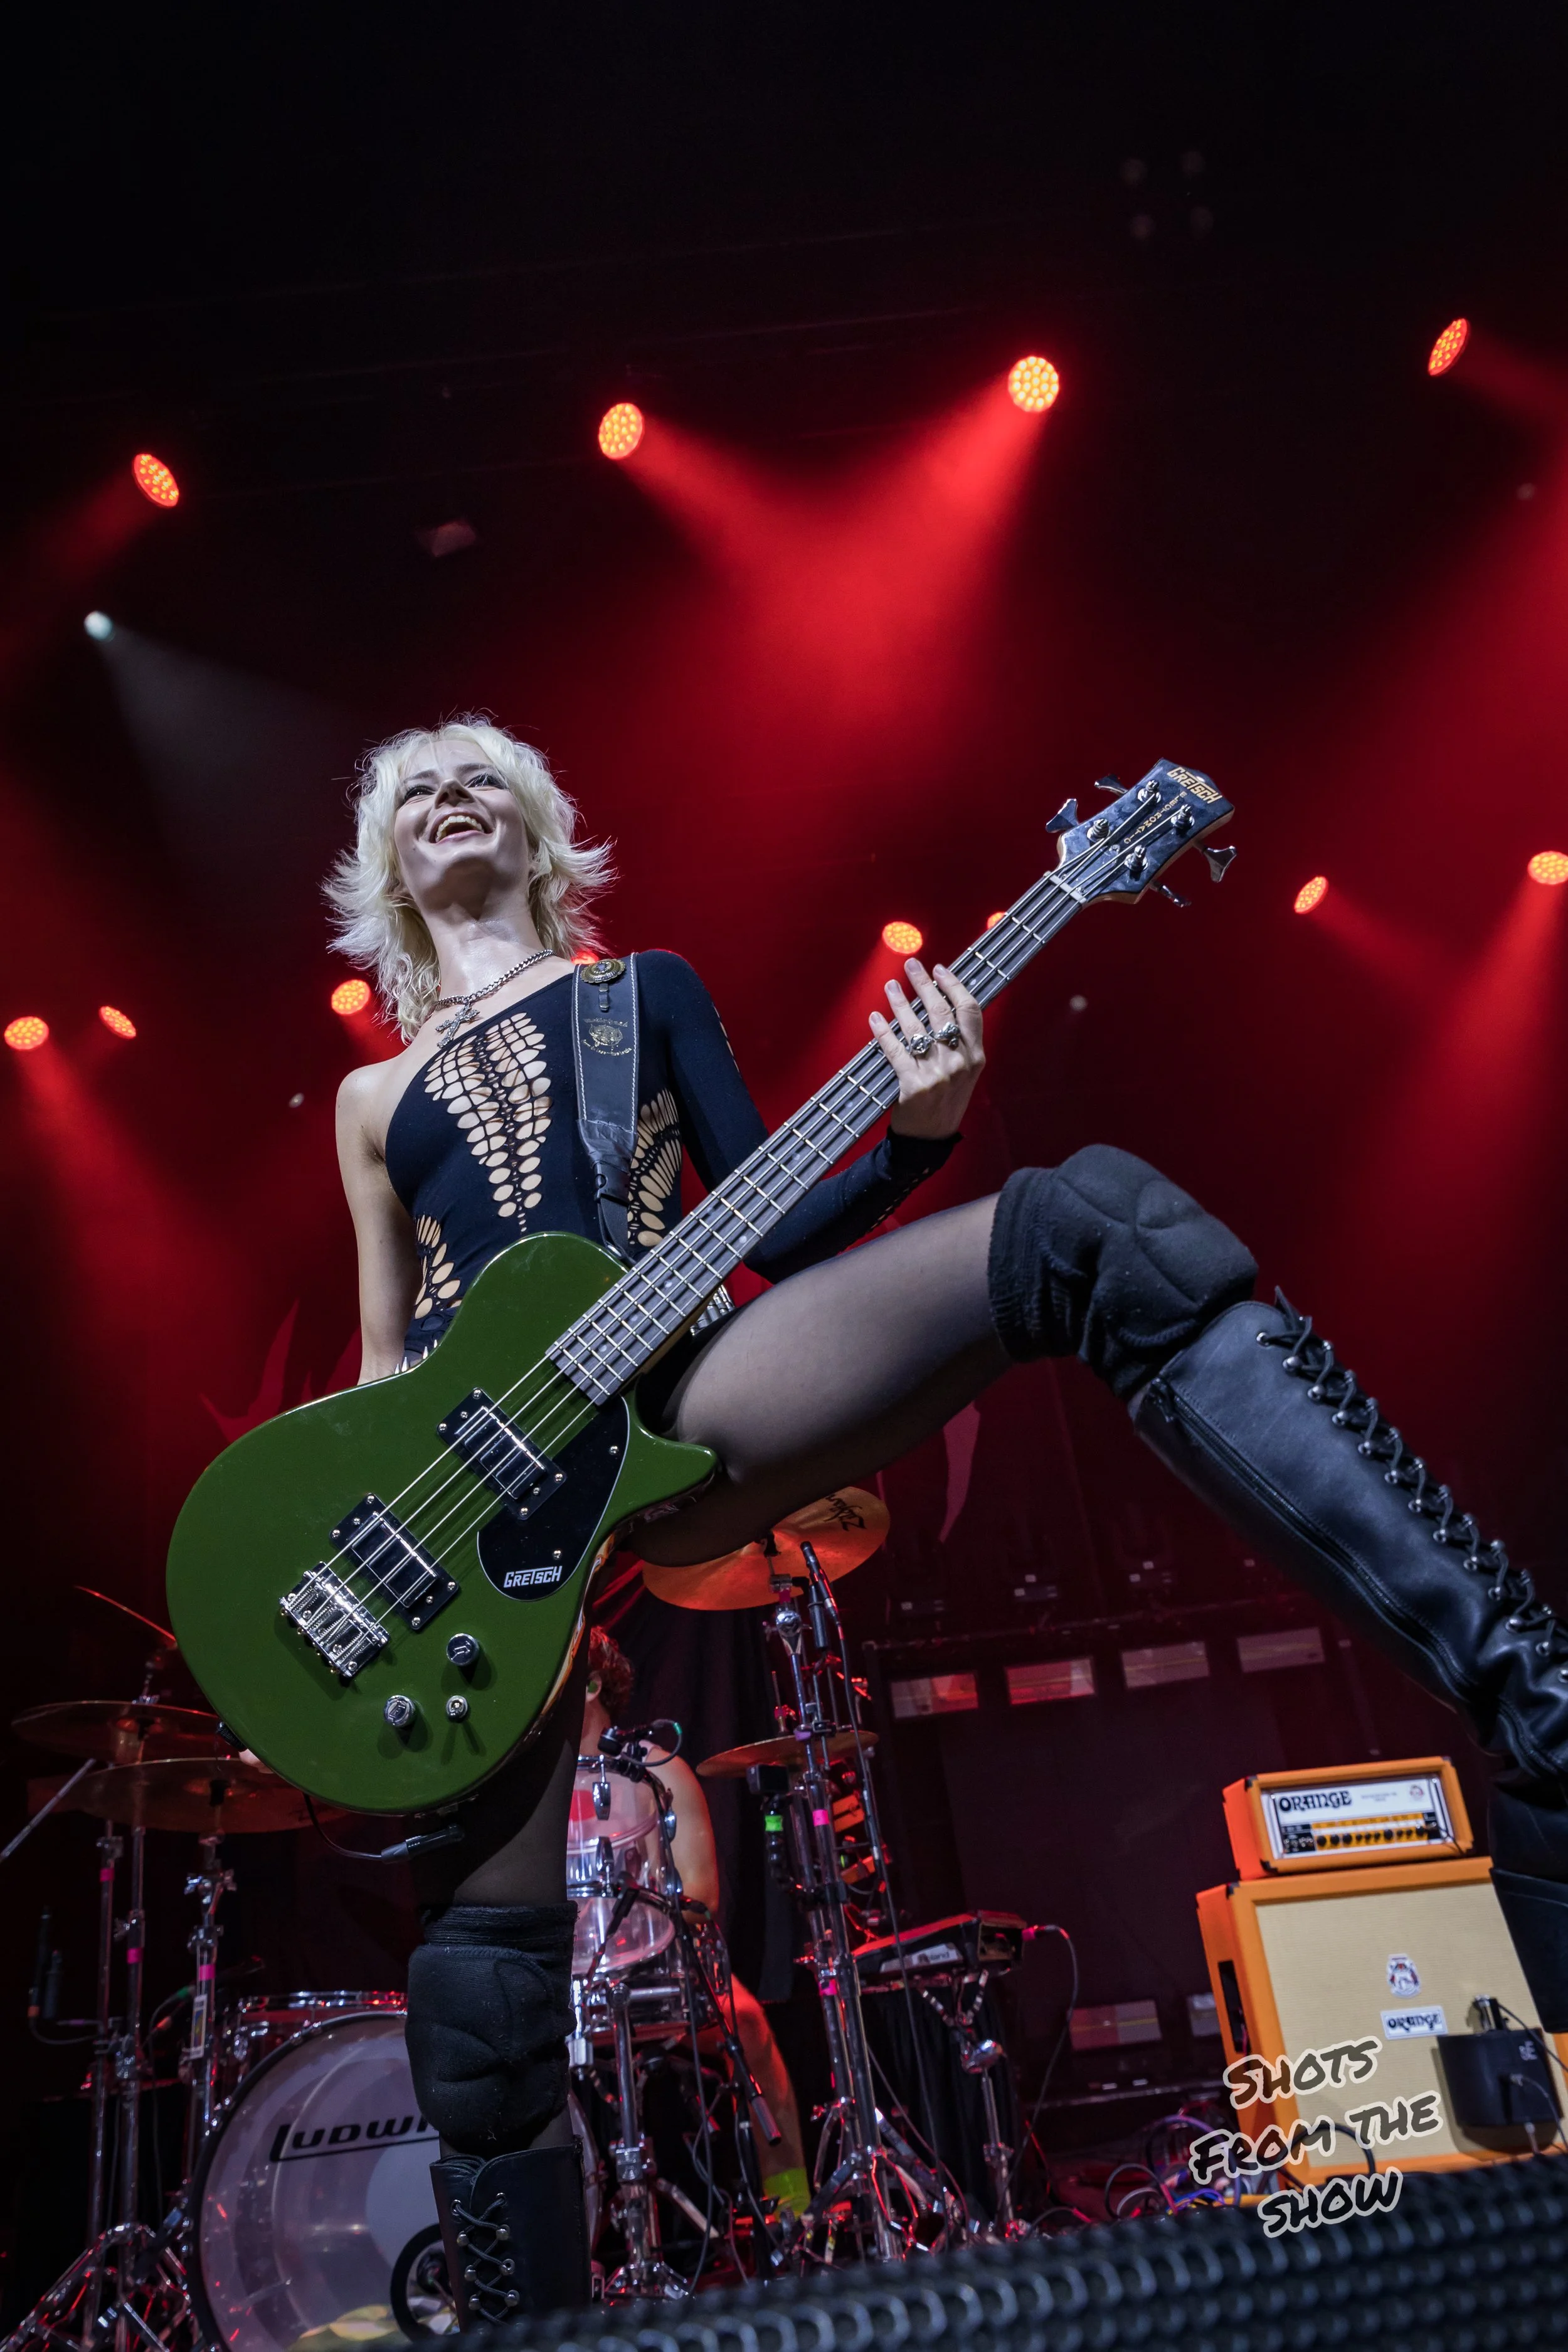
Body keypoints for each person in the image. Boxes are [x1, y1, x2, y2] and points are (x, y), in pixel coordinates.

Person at [329, 717, 1568, 2323]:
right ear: (385, 861)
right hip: (475, 1508)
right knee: (482, 2010)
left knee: (1090, 1229)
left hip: (677, 1397)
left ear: (539, 830)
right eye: (416, 787)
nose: (449, 795)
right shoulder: (372, 1096)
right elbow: (379, 1368)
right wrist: (369, 1549)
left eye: (480, 776)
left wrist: (917, 1138)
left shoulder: (641, 997)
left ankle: (1539, 1709)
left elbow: (766, 1218)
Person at [577, 1628, 810, 2219]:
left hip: (655, 1973)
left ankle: (791, 2212)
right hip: (564, 1984)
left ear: (591, 1685)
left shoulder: (657, 1770)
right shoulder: (530, 1787)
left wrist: (632, 1926)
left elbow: (702, 1896)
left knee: (749, 2027)